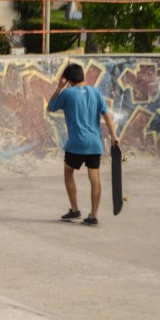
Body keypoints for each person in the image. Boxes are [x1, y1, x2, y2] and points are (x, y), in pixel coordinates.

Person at [48, 63, 120, 225]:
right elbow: (107, 116)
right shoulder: (95, 92)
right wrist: (114, 136)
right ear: (82, 76)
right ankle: (93, 216)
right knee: (94, 178)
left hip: (77, 143)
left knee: (68, 172)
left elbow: (50, 107)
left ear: (67, 79)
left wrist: (59, 87)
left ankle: (75, 210)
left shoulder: (67, 93)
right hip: (95, 143)